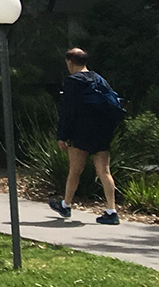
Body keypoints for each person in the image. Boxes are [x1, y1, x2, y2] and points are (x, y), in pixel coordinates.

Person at [52, 48, 124, 224]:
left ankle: (66, 205)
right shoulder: (98, 79)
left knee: (75, 170)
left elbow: (68, 111)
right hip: (103, 132)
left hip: (81, 132)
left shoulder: (73, 81)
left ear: (70, 62)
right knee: (104, 171)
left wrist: (62, 135)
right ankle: (111, 210)